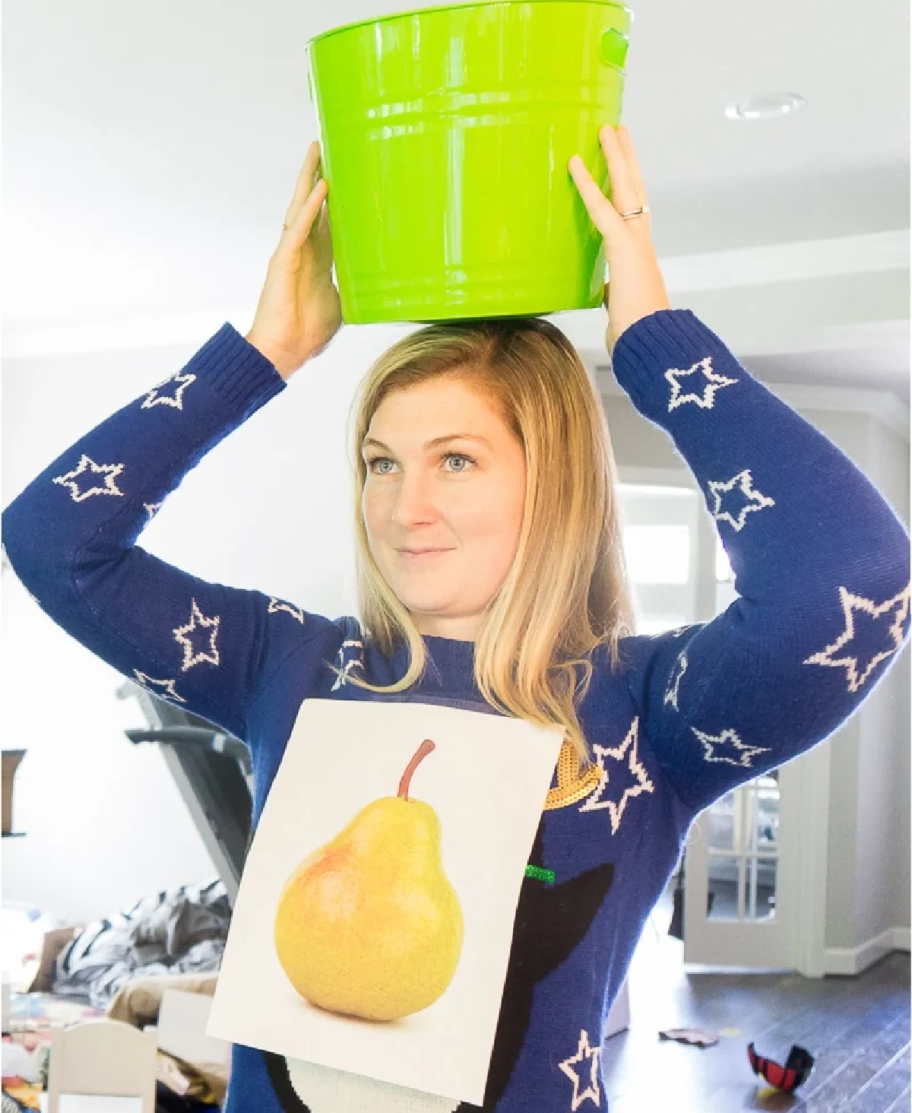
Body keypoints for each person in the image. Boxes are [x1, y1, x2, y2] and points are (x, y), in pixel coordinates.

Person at [2, 125, 909, 1113]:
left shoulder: (646, 710)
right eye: (381, 461)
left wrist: (656, 344)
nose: (402, 506)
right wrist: (262, 354)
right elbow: (54, 538)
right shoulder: (292, 662)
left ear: (552, 483)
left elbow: (850, 581)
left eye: (457, 460)